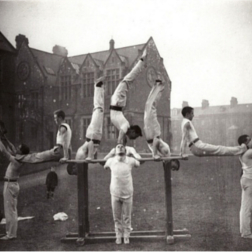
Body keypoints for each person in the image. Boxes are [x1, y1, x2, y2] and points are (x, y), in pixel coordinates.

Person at [104, 144, 140, 245]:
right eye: (117, 148)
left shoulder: (130, 160)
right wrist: (110, 153)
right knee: (117, 217)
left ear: (125, 151)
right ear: (115, 152)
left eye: (121, 148)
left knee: (127, 217)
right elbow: (104, 163)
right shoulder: (111, 161)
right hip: (115, 193)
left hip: (128, 193)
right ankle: (118, 236)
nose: (119, 149)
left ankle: (126, 236)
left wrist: (133, 152)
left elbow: (139, 161)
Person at [110, 49, 148, 144]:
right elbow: (122, 132)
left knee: (128, 80)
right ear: (133, 131)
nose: (134, 138)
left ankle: (141, 62)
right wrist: (119, 143)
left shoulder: (125, 127)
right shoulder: (126, 126)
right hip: (118, 101)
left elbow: (123, 133)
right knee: (129, 79)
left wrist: (123, 142)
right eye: (135, 136)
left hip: (117, 102)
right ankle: (141, 60)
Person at [180, 106, 248, 157]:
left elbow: (185, 139)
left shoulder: (184, 122)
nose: (193, 115)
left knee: (220, 149)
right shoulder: (187, 123)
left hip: (196, 146)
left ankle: (241, 149)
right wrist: (182, 153)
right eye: (192, 113)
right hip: (197, 146)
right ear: (187, 114)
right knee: (220, 149)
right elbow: (183, 139)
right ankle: (242, 149)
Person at [0, 139, 30, 240]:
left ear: (22, 152)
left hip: (10, 184)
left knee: (10, 210)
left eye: (19, 148)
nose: (16, 148)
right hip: (11, 184)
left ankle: (11, 234)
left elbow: (5, 152)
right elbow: (11, 147)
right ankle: (10, 233)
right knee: (11, 209)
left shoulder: (18, 160)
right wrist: (5, 138)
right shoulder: (19, 157)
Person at [75, 76, 106, 161]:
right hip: (95, 136)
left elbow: (90, 143)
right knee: (100, 109)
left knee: (98, 108)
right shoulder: (79, 157)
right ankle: (100, 87)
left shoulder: (79, 157)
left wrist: (90, 157)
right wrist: (93, 157)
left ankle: (97, 85)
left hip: (93, 135)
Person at [144, 78, 171, 159]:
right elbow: (157, 140)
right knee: (150, 105)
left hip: (150, 136)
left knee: (148, 105)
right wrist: (154, 154)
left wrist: (155, 154)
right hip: (153, 134)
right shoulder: (166, 150)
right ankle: (159, 87)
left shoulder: (164, 155)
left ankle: (157, 86)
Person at [237, 134, 252, 239]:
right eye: (250, 140)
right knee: (247, 208)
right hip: (249, 181)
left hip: (246, 180)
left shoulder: (244, 152)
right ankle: (246, 233)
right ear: (245, 143)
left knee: (245, 207)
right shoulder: (248, 152)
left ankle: (244, 231)